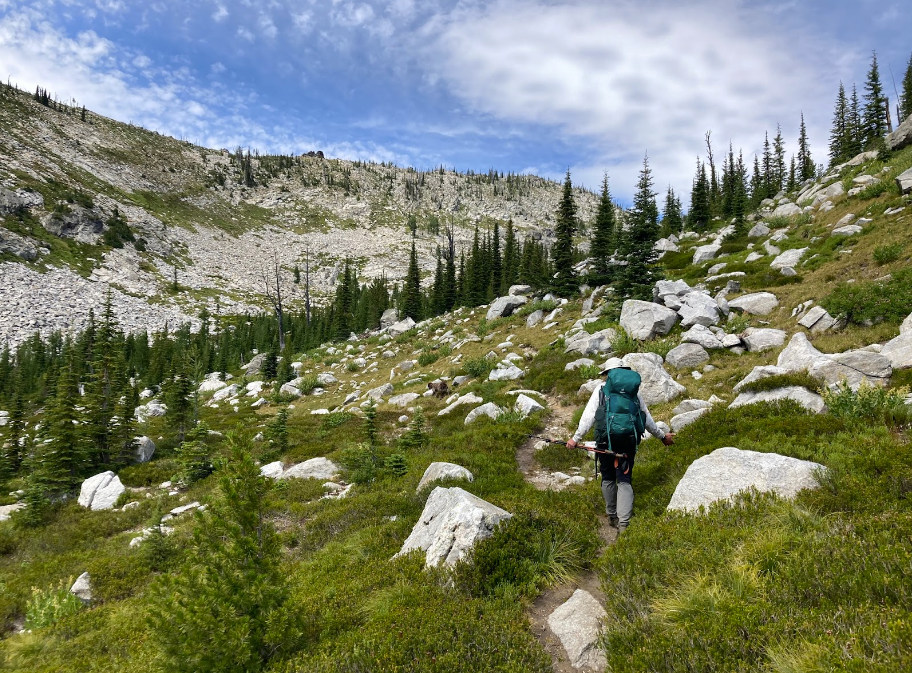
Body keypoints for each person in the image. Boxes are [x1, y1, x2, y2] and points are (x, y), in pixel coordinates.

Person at [567, 357, 674, 534]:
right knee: (624, 479)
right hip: (627, 440)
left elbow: (588, 417)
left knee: (608, 476)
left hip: (604, 440)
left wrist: (575, 439)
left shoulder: (601, 389)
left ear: (607, 374)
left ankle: (612, 515)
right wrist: (662, 437)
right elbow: (646, 418)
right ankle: (624, 525)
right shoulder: (633, 392)